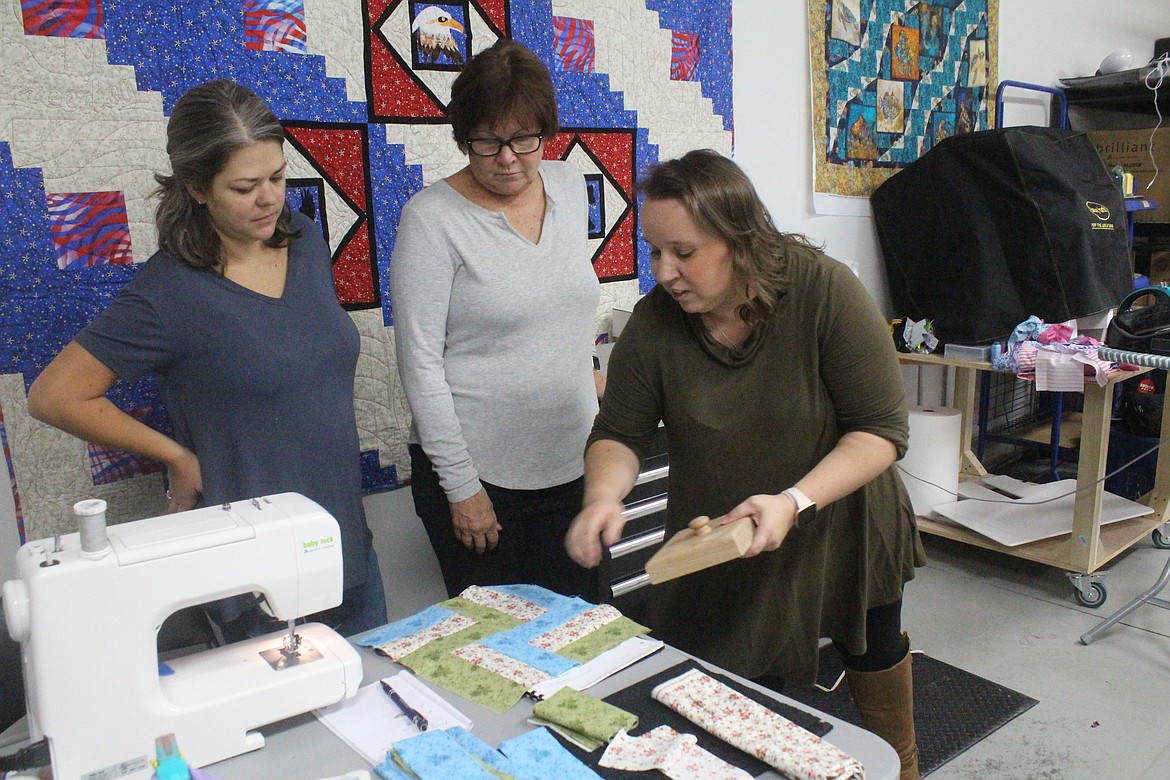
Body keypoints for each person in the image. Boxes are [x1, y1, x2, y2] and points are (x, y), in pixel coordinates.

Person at [565, 149, 926, 780]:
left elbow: (880, 432)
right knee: (727, 675)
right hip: (725, 533)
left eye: (684, 252)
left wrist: (794, 501)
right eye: (653, 253)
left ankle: (903, 770)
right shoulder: (656, 325)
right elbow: (618, 432)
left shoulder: (823, 290)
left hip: (840, 513)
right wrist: (603, 497)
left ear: (739, 239)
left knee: (870, 648)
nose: (665, 272)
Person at [27, 79, 386, 641]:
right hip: (250, 572)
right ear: (196, 187)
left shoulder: (308, 242)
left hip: (344, 545)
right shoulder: (168, 291)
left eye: (277, 177)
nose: (270, 199)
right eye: (245, 187)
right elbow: (54, 396)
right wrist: (176, 456)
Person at [391, 39, 600, 599]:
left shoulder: (568, 185)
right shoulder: (431, 220)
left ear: (546, 133)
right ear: (464, 138)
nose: (508, 158)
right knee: (495, 663)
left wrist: (591, 377)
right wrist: (461, 488)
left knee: (581, 644)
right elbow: (419, 364)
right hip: (481, 482)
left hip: (573, 463)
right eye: (488, 141)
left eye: (523, 139)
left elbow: (559, 308)